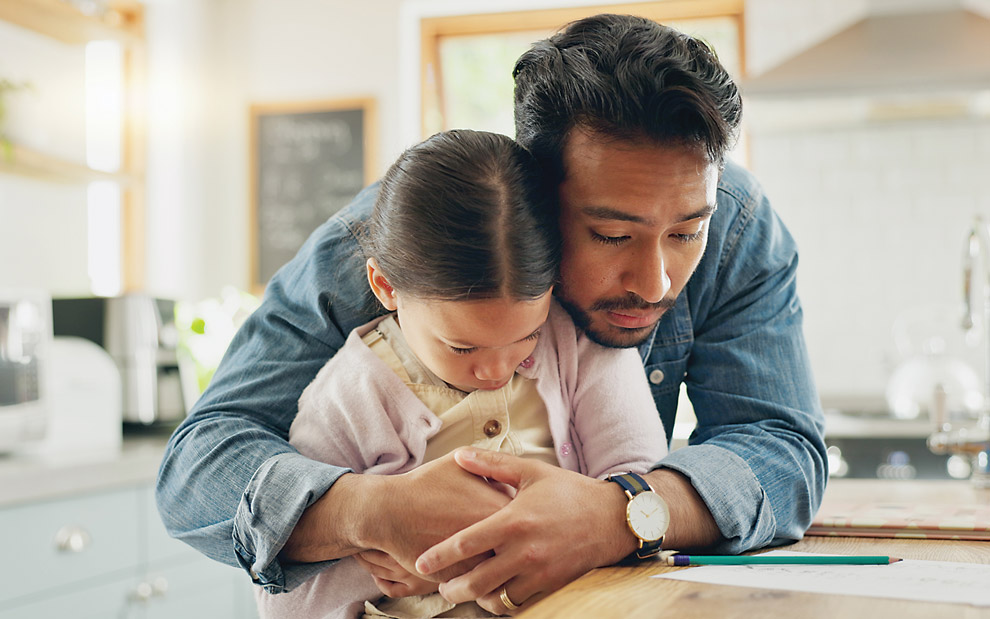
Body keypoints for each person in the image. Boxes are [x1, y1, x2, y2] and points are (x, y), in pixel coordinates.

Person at [157, 13, 826, 616]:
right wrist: (371, 510)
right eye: (613, 236)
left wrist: (619, 513)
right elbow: (197, 469)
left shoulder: (738, 225)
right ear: (533, 194)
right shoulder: (398, 246)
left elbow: (783, 446)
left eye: (685, 233)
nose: (655, 281)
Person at [255, 129, 667, 619]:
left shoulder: (581, 344)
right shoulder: (350, 393)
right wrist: (399, 555)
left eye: (527, 336)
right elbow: (287, 596)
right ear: (386, 287)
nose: (496, 369)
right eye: (462, 346)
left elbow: (641, 483)